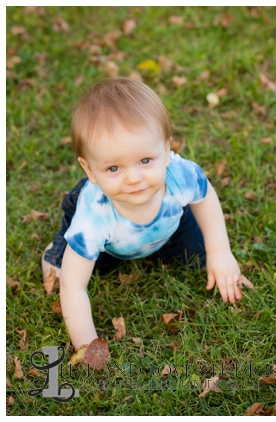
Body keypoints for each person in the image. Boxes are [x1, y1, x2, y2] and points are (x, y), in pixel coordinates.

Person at [42, 78, 249, 351]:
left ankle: (163, 247)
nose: (134, 178)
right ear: (90, 170)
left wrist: (220, 251)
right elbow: (74, 286)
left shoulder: (180, 174)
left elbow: (204, 197)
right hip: (111, 243)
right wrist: (87, 344)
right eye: (114, 168)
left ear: (166, 150)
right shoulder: (92, 219)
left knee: (197, 257)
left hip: (168, 224)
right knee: (67, 274)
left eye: (145, 160)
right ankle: (57, 251)